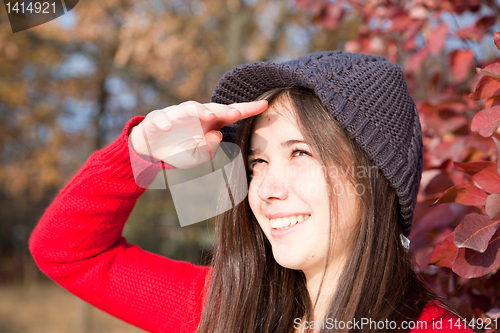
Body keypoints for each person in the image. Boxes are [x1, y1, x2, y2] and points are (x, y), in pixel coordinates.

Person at [29, 52, 475, 333]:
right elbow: (67, 252)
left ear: (377, 177)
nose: (266, 190)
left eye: (301, 153)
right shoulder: (225, 308)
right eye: (257, 162)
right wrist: (141, 151)